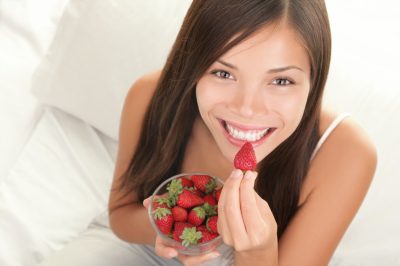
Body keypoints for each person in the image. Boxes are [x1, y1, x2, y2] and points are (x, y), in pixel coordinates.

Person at [40, 1, 377, 265]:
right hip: (144, 245)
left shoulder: (345, 153)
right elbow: (121, 218)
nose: (247, 108)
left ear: (314, 82)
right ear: (194, 65)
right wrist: (174, 227)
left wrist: (256, 251)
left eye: (281, 81)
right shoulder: (149, 96)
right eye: (223, 73)